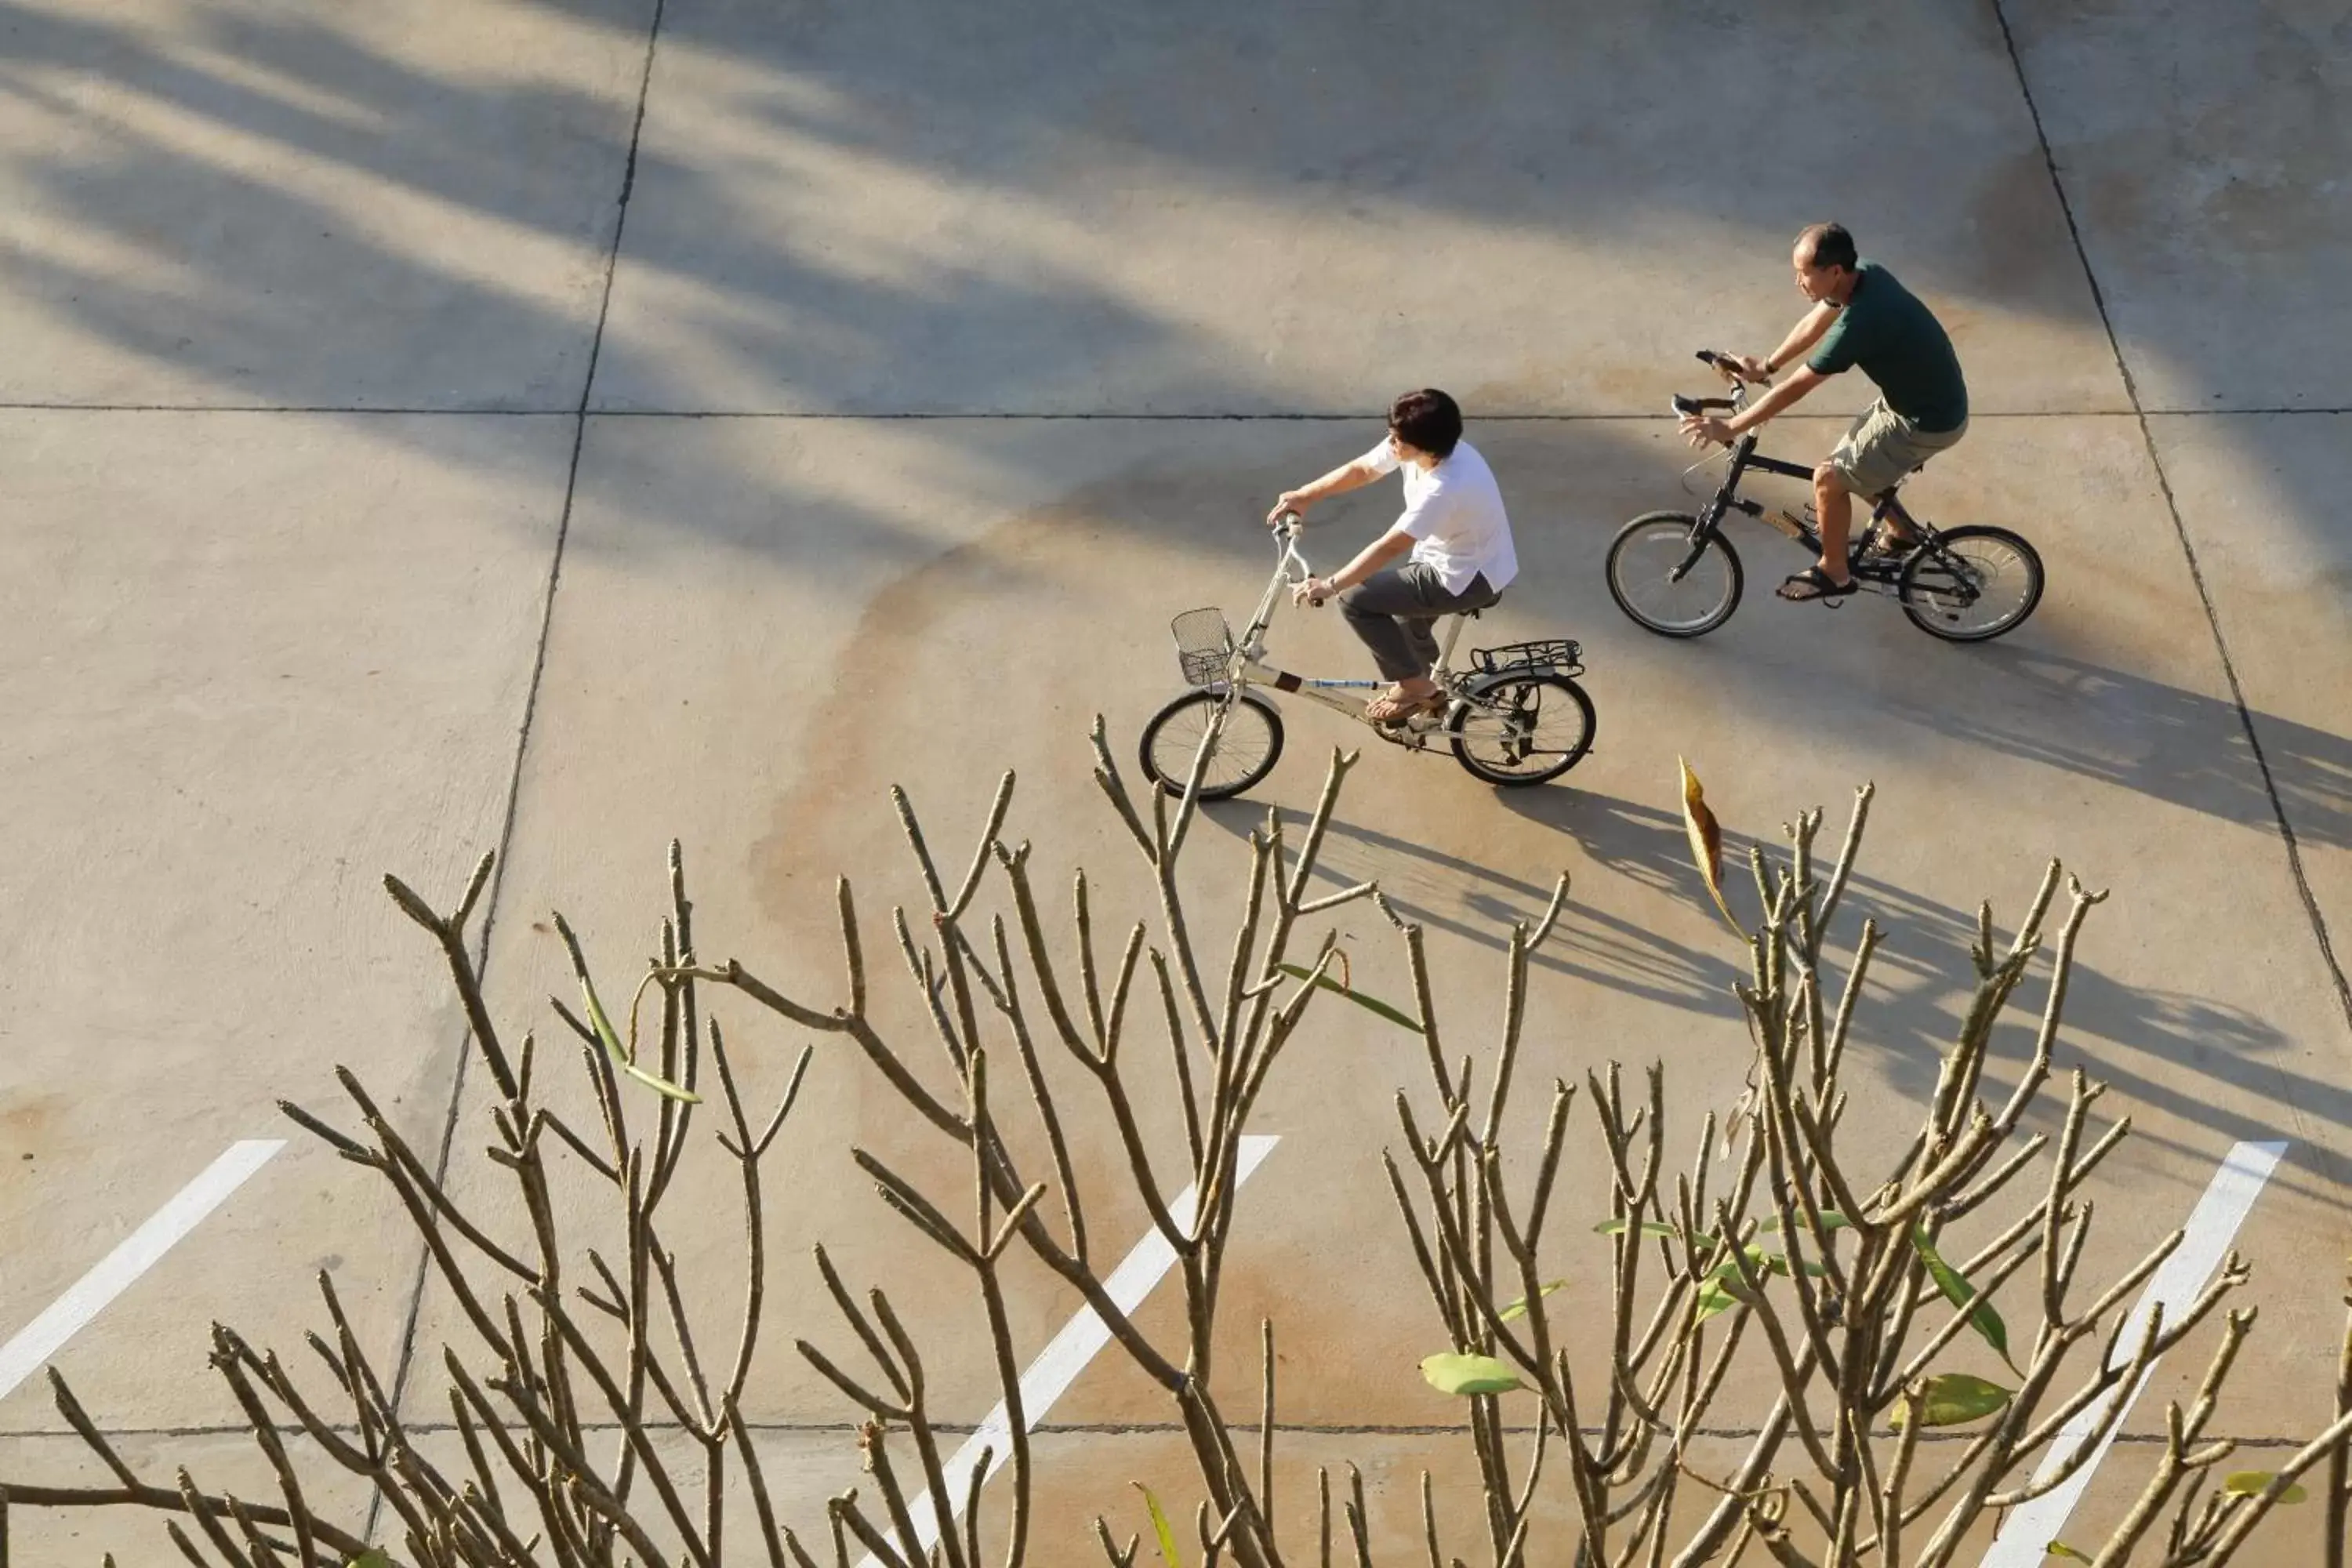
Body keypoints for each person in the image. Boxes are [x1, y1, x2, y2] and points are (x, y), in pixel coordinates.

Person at [1679, 223, 1970, 603]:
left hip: (1926, 422)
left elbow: (1799, 387)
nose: (1798, 281)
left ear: (1833, 271)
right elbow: (1818, 317)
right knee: (1852, 465)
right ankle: (1901, 533)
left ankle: (1835, 571)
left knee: (1829, 479)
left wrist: (1732, 425)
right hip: (1914, 403)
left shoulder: (1862, 322)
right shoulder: (1861, 273)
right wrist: (1766, 365)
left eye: (1804, 273)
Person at [1266, 389, 1519, 724]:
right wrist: (1305, 496)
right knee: (1404, 623)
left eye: (1397, 438)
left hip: (1464, 576)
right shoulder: (1431, 450)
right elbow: (1363, 470)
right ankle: (1434, 693)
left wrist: (1331, 585)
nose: (1391, 442)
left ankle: (1416, 688)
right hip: (1452, 556)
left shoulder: (1445, 487)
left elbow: (1389, 546)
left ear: (1424, 445)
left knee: (1357, 599)